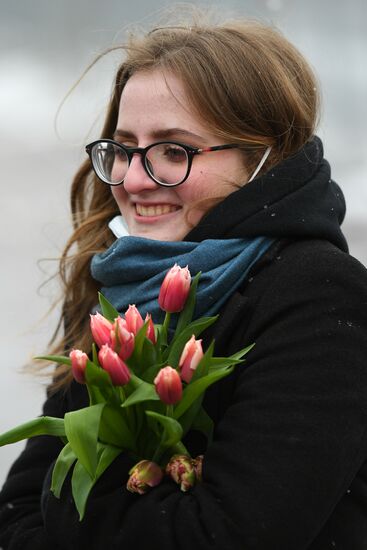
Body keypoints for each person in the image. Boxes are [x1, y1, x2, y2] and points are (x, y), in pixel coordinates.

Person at [1, 14, 367, 550]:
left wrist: (77, 512)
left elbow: (227, 534)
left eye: (175, 151)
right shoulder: (123, 284)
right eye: (125, 148)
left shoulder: (319, 295)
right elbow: (14, 513)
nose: (132, 178)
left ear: (262, 158)